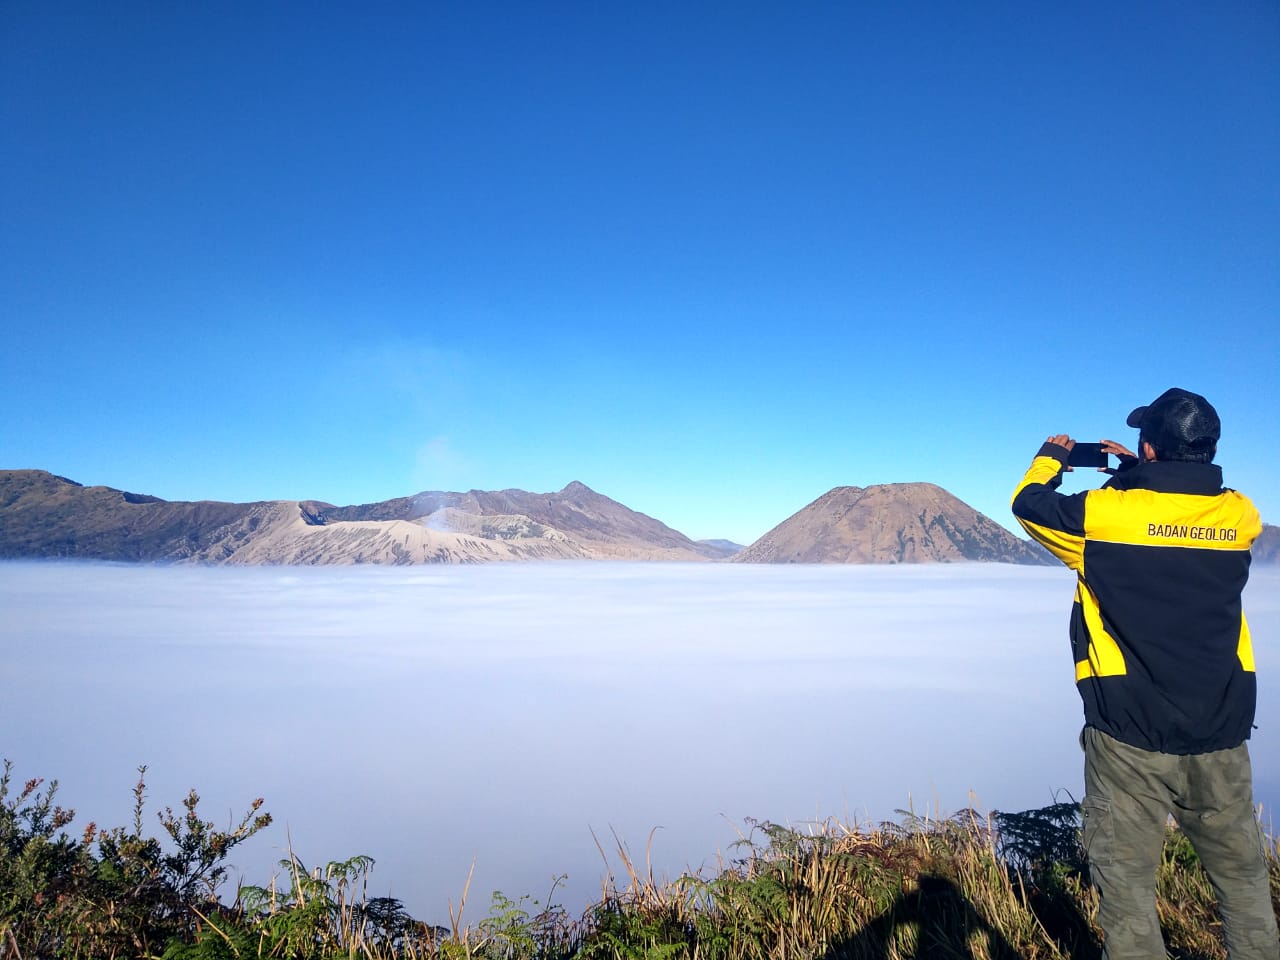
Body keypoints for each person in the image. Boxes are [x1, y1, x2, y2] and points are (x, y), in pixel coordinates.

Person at [1010, 387, 1279, 960]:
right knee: (1243, 883)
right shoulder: (1239, 515)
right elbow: (1177, 519)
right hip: (1221, 729)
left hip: (1128, 735)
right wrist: (1143, 471)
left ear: (1151, 447)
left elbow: (1028, 504)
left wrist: (1051, 457)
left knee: (1129, 897)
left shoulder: (1103, 518)